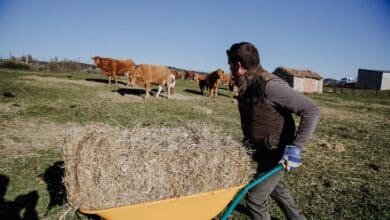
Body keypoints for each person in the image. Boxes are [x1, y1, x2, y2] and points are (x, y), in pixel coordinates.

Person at [226, 42, 320, 220]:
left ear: (238, 66)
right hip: (264, 151)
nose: (229, 69)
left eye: (230, 65)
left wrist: (296, 147)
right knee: (277, 189)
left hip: (276, 153)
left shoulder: (270, 86)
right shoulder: (250, 84)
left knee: (254, 198)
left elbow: (311, 110)